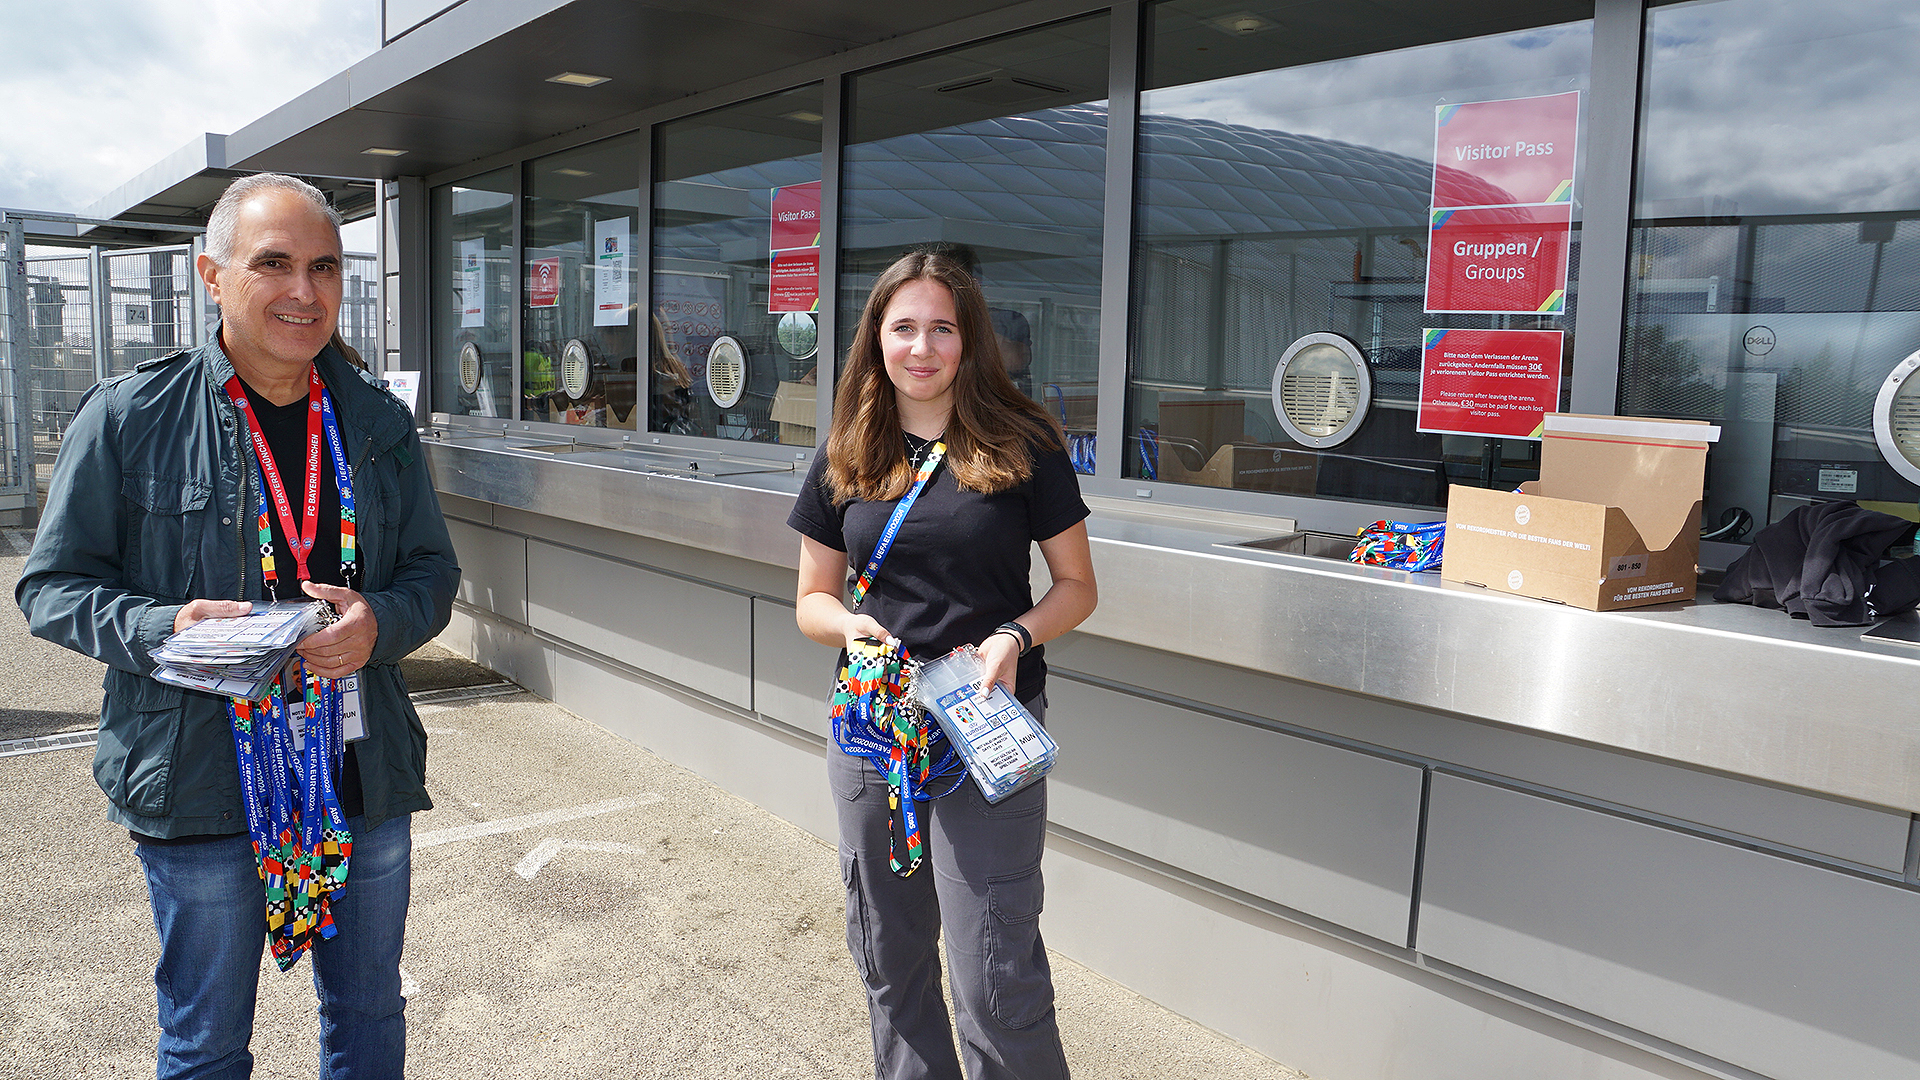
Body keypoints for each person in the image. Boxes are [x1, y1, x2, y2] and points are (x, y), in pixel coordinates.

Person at [17, 173, 459, 1080]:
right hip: (201, 783)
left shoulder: (375, 421)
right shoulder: (130, 417)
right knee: (205, 1044)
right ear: (211, 275)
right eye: (274, 264)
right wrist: (161, 625)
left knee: (370, 1015)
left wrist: (380, 622)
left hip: (354, 772)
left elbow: (431, 573)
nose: (305, 291)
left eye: (325, 267)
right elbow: (52, 588)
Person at [788, 247, 1098, 1079]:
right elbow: (812, 599)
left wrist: (1016, 636)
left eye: (941, 329)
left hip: (984, 729)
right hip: (874, 733)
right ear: (876, 338)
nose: (921, 348)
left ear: (970, 340)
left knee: (995, 973)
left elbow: (1076, 588)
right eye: (903, 328)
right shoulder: (848, 447)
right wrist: (850, 627)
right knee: (891, 960)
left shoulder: (1022, 441)